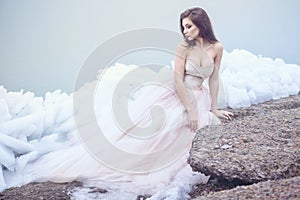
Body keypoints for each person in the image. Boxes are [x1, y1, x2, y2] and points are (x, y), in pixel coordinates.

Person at [24, 7, 233, 195]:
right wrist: (190, 109)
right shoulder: (184, 48)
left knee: (196, 131)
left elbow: (214, 78)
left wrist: (213, 108)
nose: (185, 31)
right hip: (180, 94)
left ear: (201, 24)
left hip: (200, 95)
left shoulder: (217, 48)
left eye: (188, 26)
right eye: (183, 27)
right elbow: (178, 81)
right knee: (164, 127)